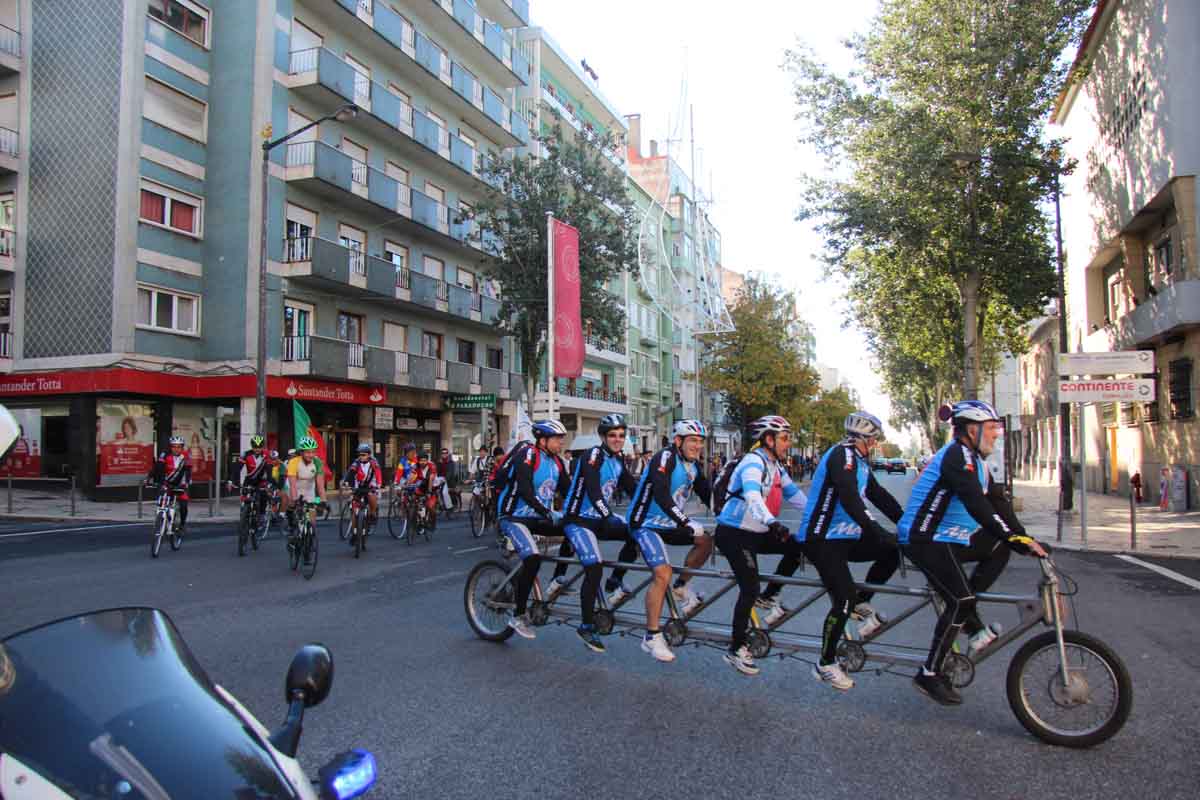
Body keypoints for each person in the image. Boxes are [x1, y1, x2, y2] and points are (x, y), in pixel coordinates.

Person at [899, 400, 1049, 706]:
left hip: (948, 538)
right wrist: (1013, 537)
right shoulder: (955, 456)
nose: (996, 435)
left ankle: (964, 608)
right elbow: (976, 505)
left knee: (999, 548)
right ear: (972, 429)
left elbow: (998, 502)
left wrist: (1022, 538)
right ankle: (929, 674)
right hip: (923, 538)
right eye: (991, 428)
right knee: (961, 598)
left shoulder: (977, 462)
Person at [758, 411, 905, 690]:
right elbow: (851, 500)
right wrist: (878, 531)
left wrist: (907, 525)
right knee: (843, 599)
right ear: (860, 438)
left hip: (846, 537)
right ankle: (825, 663)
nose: (874, 444)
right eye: (872, 439)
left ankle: (861, 601)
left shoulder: (860, 462)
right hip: (821, 539)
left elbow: (879, 496)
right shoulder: (842, 455)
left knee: (891, 551)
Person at [712, 416, 808, 676]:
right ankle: (736, 648)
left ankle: (769, 596)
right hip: (735, 533)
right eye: (784, 438)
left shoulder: (775, 465)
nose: (788, 443)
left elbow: (795, 496)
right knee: (749, 586)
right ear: (769, 439)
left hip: (758, 531)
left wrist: (820, 518)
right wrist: (773, 522)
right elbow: (753, 496)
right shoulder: (753, 462)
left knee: (798, 545)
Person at [625, 419, 713, 663]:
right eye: (693, 440)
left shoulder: (693, 466)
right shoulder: (665, 458)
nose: (697, 446)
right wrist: (685, 521)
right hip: (645, 523)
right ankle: (652, 636)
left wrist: (730, 516)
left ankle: (681, 586)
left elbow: (710, 496)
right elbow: (662, 495)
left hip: (668, 523)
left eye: (700, 442)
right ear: (678, 441)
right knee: (662, 572)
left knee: (706, 541)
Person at [560, 414, 642, 653]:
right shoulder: (593, 455)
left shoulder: (618, 460)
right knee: (594, 566)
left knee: (636, 533)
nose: (618, 440)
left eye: (621, 435)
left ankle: (614, 581)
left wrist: (651, 511)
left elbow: (634, 490)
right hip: (579, 520)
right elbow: (594, 493)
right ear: (603, 437)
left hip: (599, 518)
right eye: (613, 435)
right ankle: (586, 625)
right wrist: (609, 516)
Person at [497, 420, 571, 639]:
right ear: (543, 440)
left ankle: (557, 581)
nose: (561, 443)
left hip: (537, 517)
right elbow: (526, 491)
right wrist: (547, 512)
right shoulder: (528, 455)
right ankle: (518, 615)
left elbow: (570, 491)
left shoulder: (557, 462)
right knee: (532, 558)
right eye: (557, 439)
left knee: (574, 532)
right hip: (514, 517)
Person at [285, 437, 327, 558]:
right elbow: (292, 485)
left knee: (312, 519)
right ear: (302, 452)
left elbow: (320, 485)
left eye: (313, 451)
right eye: (308, 452)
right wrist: (295, 499)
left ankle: (308, 545)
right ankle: (291, 527)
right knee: (293, 504)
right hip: (296, 488)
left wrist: (323, 501)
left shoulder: (318, 462)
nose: (311, 454)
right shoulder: (294, 462)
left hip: (309, 490)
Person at [145, 435, 191, 533]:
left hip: (180, 483)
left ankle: (182, 524)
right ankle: (163, 516)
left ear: (182, 448)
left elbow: (188, 471)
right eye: (174, 446)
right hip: (167, 482)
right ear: (170, 447)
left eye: (179, 447)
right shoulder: (165, 454)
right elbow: (157, 467)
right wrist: (149, 478)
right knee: (162, 499)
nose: (176, 449)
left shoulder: (186, 456)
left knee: (183, 505)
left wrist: (187, 482)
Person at [341, 443, 382, 532]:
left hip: (371, 484)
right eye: (359, 455)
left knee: (372, 495)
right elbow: (350, 473)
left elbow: (378, 474)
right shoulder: (356, 462)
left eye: (363, 455)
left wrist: (378, 485)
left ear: (369, 455)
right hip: (359, 484)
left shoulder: (374, 462)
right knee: (355, 508)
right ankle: (354, 532)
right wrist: (346, 483)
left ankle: (373, 514)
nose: (361, 457)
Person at [235, 434, 273, 520]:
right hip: (249, 480)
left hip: (261, 481)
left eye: (259, 447)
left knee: (264, 495)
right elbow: (237, 468)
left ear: (262, 447)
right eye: (255, 447)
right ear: (252, 446)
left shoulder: (266, 454)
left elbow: (269, 470)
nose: (257, 449)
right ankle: (244, 512)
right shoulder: (245, 454)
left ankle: (262, 514)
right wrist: (233, 481)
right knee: (245, 495)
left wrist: (269, 483)